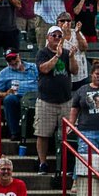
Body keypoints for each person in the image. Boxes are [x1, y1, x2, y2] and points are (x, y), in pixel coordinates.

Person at [34, 25, 79, 175]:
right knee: (43, 133)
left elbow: (74, 70)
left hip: (65, 100)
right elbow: (44, 69)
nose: (58, 39)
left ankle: (65, 165)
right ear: (48, 37)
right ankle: (43, 163)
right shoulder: (43, 53)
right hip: (46, 101)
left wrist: (71, 57)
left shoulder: (67, 53)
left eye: (60, 36)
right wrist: (57, 56)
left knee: (66, 136)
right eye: (54, 36)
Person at [0, 48, 38, 141]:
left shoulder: (33, 67)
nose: (12, 62)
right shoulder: (4, 73)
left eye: (14, 58)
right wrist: (6, 93)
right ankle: (15, 132)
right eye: (9, 60)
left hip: (36, 96)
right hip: (18, 97)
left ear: (19, 56)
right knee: (9, 99)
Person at [57, 11, 88, 92]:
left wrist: (77, 33)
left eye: (68, 21)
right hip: (63, 74)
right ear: (58, 23)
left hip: (80, 74)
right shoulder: (54, 34)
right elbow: (55, 50)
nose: (66, 23)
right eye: (62, 21)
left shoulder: (76, 32)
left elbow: (84, 48)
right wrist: (63, 33)